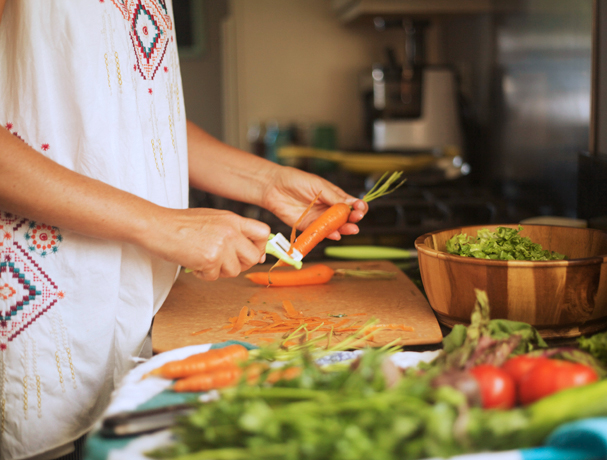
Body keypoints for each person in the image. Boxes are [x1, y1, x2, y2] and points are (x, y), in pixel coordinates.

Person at [0, 1, 368, 459]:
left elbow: (138, 119)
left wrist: (267, 182)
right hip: (32, 315)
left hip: (128, 314)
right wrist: (162, 225)